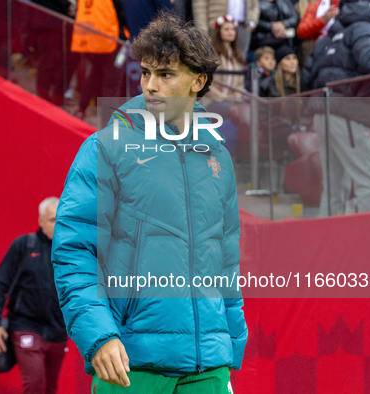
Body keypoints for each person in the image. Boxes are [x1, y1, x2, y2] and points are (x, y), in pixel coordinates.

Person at [52, 11, 247, 393]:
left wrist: (229, 344)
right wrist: (99, 335)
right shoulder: (106, 148)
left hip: (208, 367)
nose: (151, 86)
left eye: (166, 74)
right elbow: (75, 251)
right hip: (130, 362)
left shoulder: (217, 158)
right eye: (146, 73)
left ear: (198, 81)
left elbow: (226, 258)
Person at [303, 0, 370, 216]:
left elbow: (307, 76)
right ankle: (368, 246)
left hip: (324, 112)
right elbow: (369, 62)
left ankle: (327, 246)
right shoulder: (364, 26)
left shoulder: (332, 33)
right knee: (369, 185)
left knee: (334, 188)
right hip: (346, 113)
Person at [0, 197, 67, 394]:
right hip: (26, 327)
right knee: (35, 386)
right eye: (53, 220)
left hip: (58, 331)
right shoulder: (24, 245)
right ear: (40, 221)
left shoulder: (71, 252)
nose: (58, 225)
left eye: (63, 219)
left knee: (50, 388)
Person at [192, 0, 260, 60]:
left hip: (243, 26)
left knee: (239, 61)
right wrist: (202, 30)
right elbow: (200, 4)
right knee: (213, 60)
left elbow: (254, 5)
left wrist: (252, 21)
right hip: (215, 27)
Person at [208, 15, 246, 99]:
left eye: (233, 29)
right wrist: (223, 97)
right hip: (214, 101)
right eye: (226, 29)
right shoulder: (211, 54)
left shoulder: (235, 55)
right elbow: (207, 83)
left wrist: (237, 95)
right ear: (219, 32)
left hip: (232, 101)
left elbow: (240, 82)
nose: (231, 32)